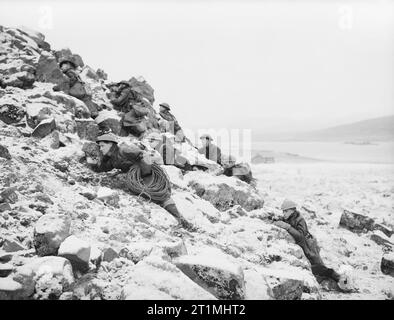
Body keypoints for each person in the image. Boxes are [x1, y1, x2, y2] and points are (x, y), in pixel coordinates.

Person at [85, 132, 195, 231]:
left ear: (110, 144)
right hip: (134, 177)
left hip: (144, 172)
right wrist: (91, 163)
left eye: (102, 146)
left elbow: (144, 155)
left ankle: (181, 220)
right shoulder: (111, 158)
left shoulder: (124, 150)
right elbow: (103, 168)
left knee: (160, 195)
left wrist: (145, 173)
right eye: (99, 147)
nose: (100, 149)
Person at [273, 199, 351, 292]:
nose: (284, 213)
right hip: (304, 247)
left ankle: (340, 278)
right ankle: (328, 280)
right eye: (283, 211)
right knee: (314, 270)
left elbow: (300, 236)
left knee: (319, 267)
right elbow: (286, 222)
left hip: (309, 247)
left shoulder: (300, 219)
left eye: (286, 211)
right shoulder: (289, 218)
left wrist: (287, 227)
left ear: (293, 210)